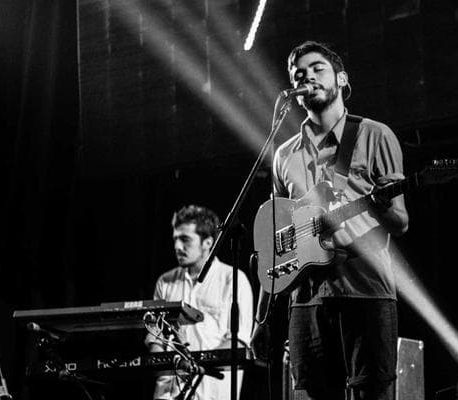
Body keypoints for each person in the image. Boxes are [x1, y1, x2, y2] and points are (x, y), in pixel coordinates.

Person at [251, 41, 409, 400]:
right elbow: (276, 240)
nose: (307, 76)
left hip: (366, 290)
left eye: (317, 68)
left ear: (341, 78)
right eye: (298, 73)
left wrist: (381, 204)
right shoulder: (283, 154)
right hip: (306, 299)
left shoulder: (374, 135)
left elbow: (400, 222)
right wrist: (261, 319)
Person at [146, 204, 254, 400]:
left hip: (212, 392)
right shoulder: (165, 282)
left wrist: (194, 364)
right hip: (168, 393)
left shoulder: (233, 279)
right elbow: (155, 339)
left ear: (207, 242)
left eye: (185, 240)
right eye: (175, 239)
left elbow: (238, 342)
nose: (177, 247)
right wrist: (161, 363)